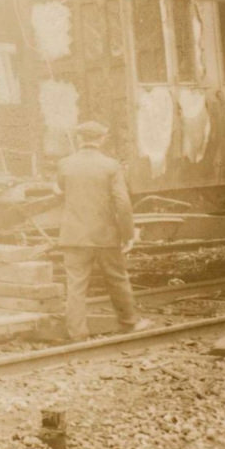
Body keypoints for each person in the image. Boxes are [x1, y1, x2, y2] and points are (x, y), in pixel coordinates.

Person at [56, 120, 153, 342]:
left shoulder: (65, 164)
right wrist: (128, 234)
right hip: (105, 235)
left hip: (73, 235)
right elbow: (123, 203)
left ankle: (77, 333)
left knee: (76, 285)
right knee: (117, 279)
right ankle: (129, 323)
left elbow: (61, 189)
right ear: (101, 139)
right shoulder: (111, 166)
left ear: (79, 139)